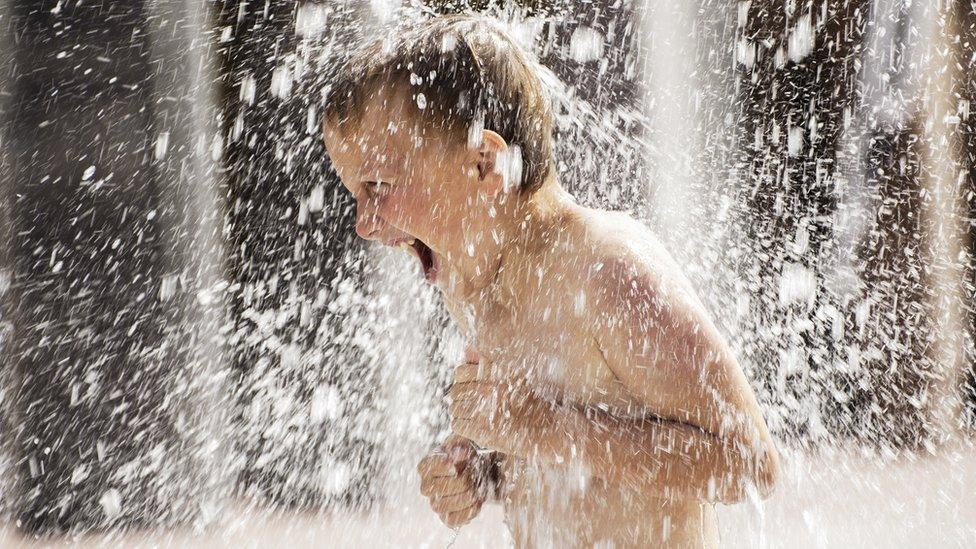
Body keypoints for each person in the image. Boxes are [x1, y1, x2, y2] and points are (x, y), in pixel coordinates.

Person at [321, 14, 780, 548]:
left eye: (378, 185)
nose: (364, 222)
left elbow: (749, 464)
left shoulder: (606, 271)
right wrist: (483, 473)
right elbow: (565, 460)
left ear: (483, 166)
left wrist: (542, 428)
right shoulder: (474, 281)